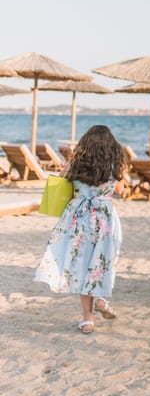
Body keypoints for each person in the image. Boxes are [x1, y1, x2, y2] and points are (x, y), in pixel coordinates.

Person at [33, 125, 128, 334]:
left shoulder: (76, 162)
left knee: (84, 264)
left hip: (80, 217)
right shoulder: (117, 163)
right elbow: (120, 190)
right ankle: (101, 299)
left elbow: (60, 180)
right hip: (105, 217)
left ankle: (87, 319)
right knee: (104, 261)